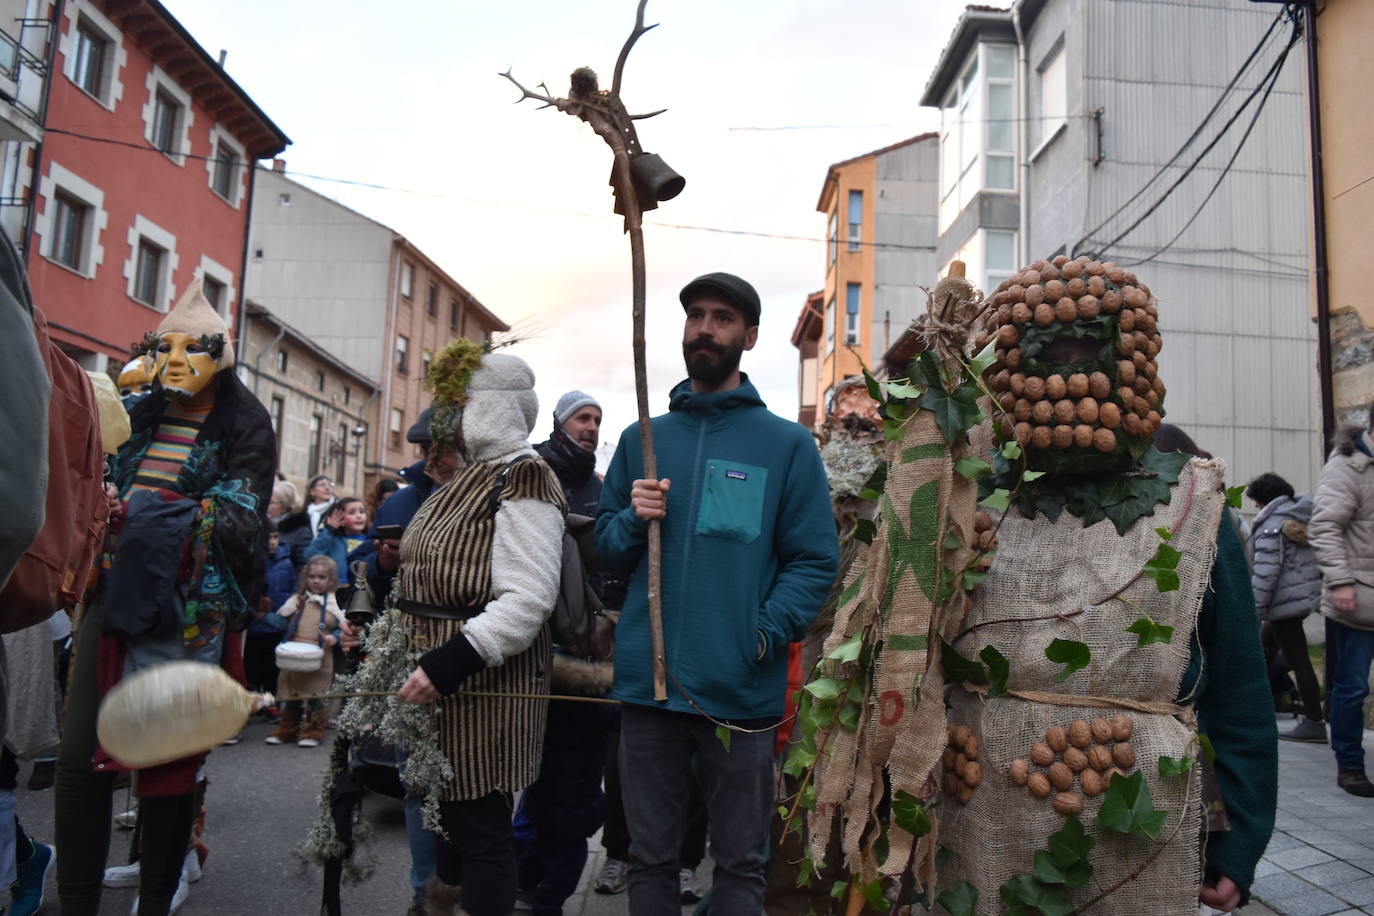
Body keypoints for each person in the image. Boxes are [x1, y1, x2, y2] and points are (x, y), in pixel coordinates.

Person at [595, 272, 840, 912]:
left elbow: (815, 561)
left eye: (722, 319)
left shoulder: (785, 445)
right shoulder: (642, 441)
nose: (706, 328)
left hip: (739, 694)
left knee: (739, 866)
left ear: (748, 337)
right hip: (647, 692)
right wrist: (632, 517)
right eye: (696, 315)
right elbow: (604, 548)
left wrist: (759, 635)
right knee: (649, 861)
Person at [54, 280, 274, 916]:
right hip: (112, 593)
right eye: (165, 349)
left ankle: (155, 901)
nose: (175, 363)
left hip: (191, 610)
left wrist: (146, 512)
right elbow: (98, 484)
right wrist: (108, 501)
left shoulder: (245, 421)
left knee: (167, 764)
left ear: (220, 355)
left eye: (192, 349)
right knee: (78, 758)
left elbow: (239, 518)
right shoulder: (138, 412)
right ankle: (76, 902)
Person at [347, 343, 567, 916]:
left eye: (459, 402)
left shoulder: (524, 476)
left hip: (481, 686)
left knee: (480, 827)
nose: (446, 418)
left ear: (490, 407)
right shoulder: (466, 480)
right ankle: (437, 906)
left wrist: (450, 663)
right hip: (436, 679)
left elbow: (529, 597)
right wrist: (382, 643)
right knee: (444, 821)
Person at [514, 391, 621, 914]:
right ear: (559, 422)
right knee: (532, 781)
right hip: (523, 655)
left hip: (583, 664)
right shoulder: (530, 475)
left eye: (598, 420)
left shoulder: (602, 490)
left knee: (573, 786)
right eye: (583, 417)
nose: (592, 427)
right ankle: (528, 875)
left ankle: (549, 894)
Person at [1308, 408, 1374, 797]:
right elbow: (1325, 526)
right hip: (1357, 598)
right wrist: (1342, 581)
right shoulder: (1348, 466)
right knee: (1350, 687)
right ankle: (1350, 765)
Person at [1246, 472, 1326, 742]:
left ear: (1263, 500)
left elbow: (1266, 571)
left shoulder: (1274, 522)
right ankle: (1258, 713)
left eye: (1256, 502)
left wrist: (1254, 609)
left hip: (1283, 604)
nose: (1255, 507)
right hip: (1292, 600)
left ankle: (1314, 721)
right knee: (1265, 654)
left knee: (1299, 660)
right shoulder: (1295, 514)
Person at [267, 556, 344, 748]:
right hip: (294, 655)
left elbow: (342, 627)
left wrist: (334, 637)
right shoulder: (298, 600)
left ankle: (313, 730)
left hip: (320, 656)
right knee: (292, 695)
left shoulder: (334, 603)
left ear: (331, 580)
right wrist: (264, 615)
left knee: (316, 697)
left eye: (321, 577)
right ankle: (288, 728)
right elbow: (281, 620)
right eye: (311, 576)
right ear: (305, 578)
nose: (316, 581)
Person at [244, 523, 293, 704]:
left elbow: (291, 588)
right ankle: (254, 703)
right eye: (267, 538)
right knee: (253, 668)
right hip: (254, 626)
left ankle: (272, 704)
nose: (272, 542)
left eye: (275, 537)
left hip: (276, 625)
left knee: (272, 669)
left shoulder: (285, 562)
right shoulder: (253, 561)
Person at [278, 475, 336, 567]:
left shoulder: (336, 511)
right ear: (312, 491)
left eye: (330, 484)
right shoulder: (302, 513)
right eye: (322, 485)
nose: (327, 488)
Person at [306, 497, 369, 580]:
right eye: (352, 513)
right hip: (336, 587)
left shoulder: (369, 540)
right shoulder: (332, 539)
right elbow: (310, 556)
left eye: (362, 512)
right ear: (339, 517)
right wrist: (329, 531)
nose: (358, 516)